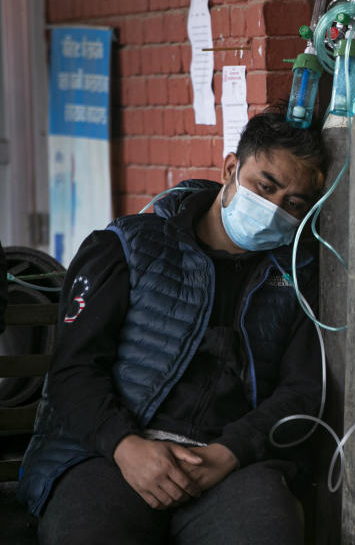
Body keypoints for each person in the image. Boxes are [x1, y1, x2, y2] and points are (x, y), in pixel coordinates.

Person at [18, 106, 328, 545]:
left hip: (227, 466)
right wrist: (125, 446)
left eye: (293, 203)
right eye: (266, 186)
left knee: (269, 529)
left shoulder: (297, 277)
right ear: (230, 168)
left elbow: (301, 392)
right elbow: (72, 371)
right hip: (107, 454)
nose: (274, 209)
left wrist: (231, 453)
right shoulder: (128, 246)